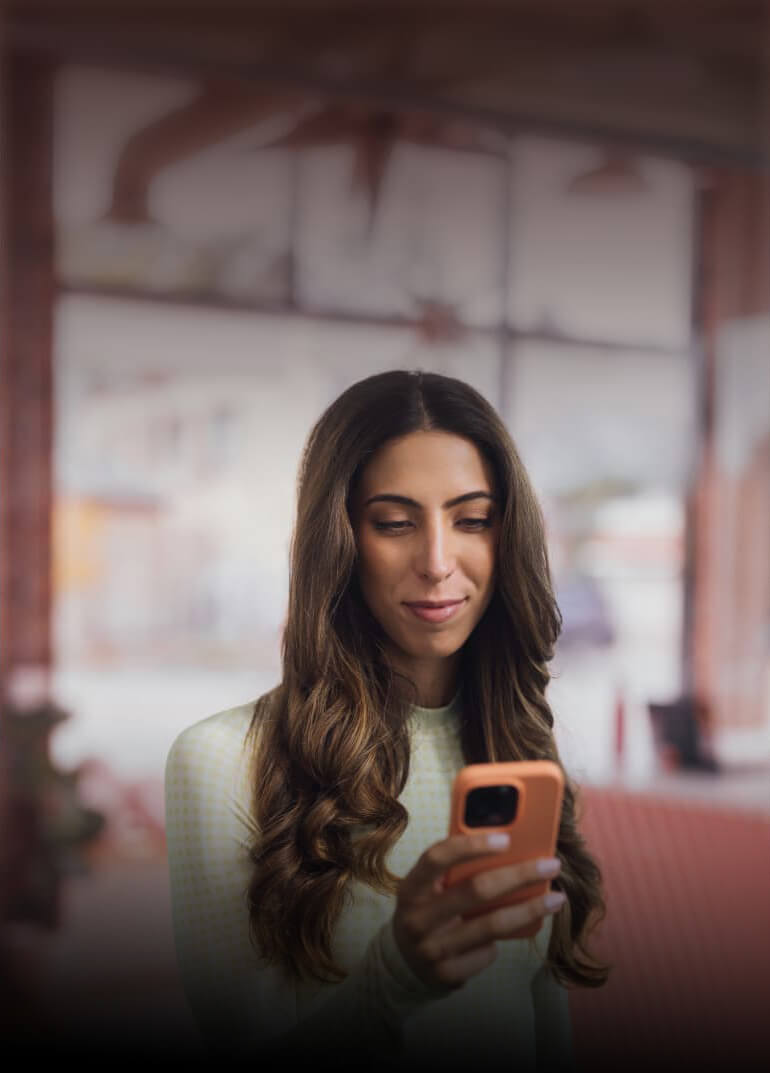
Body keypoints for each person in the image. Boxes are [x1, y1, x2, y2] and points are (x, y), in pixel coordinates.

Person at [164, 369, 609, 1073]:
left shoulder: (519, 751)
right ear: (340, 539)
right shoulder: (220, 760)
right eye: (395, 522)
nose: (437, 562)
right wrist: (393, 976)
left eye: (471, 519)